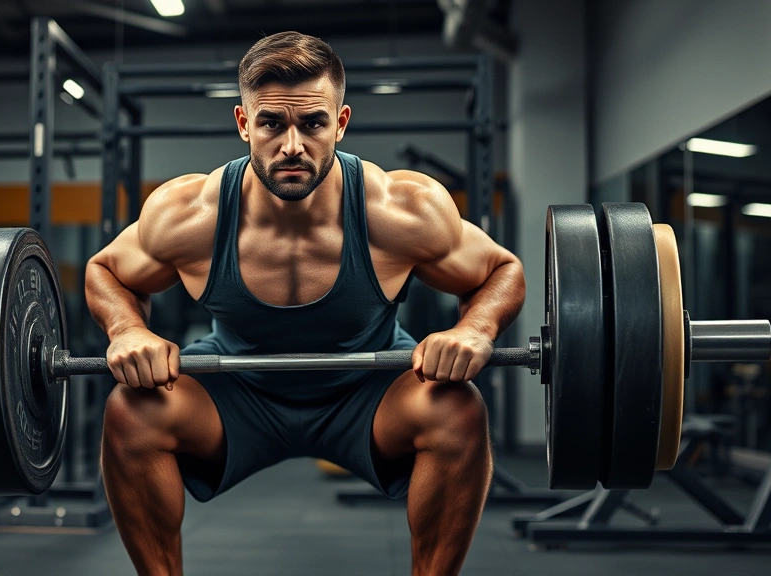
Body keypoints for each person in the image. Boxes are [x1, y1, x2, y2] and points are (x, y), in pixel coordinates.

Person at [85, 31, 525, 576]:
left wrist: (477, 328)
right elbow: (105, 270)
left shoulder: (400, 211)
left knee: (458, 410)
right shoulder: (189, 216)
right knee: (132, 412)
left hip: (369, 387)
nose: (292, 145)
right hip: (239, 390)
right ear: (244, 123)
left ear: (340, 123)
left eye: (312, 124)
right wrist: (128, 330)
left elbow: (501, 269)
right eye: (271, 123)